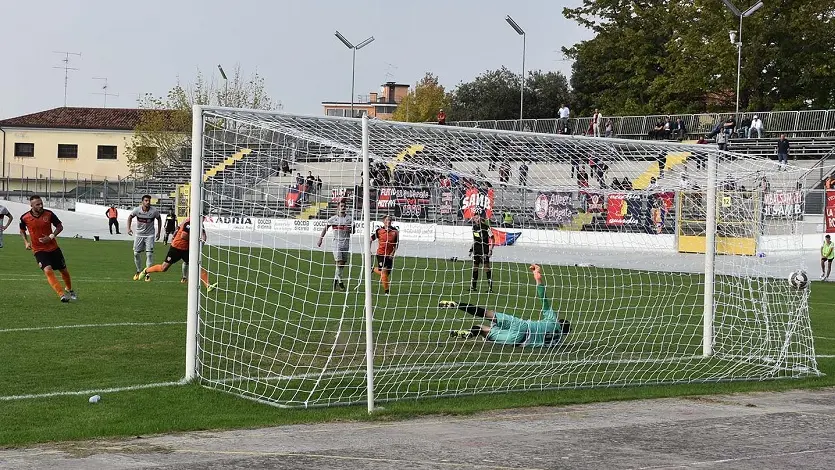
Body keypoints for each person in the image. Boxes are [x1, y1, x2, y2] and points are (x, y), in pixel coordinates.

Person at [444, 264, 570, 347]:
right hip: (518, 340)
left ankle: (457, 305)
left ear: (559, 322)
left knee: (487, 314)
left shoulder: (553, 320)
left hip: (522, 325)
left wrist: (538, 279)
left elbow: (544, 301)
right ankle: (469, 332)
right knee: (482, 329)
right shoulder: (557, 342)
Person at [19, 195, 76, 302]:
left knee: (64, 271)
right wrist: (26, 242)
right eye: (37, 204)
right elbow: (22, 230)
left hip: (53, 247)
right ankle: (61, 295)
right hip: (38, 249)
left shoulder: (49, 214)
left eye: (41, 203)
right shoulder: (24, 217)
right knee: (48, 270)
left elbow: (59, 226)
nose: (41, 206)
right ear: (31, 206)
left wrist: (50, 237)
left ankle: (69, 289)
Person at [138, 216, 216, 291]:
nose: (203, 219)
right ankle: (146, 271)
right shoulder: (188, 223)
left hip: (186, 250)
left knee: (197, 266)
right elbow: (183, 236)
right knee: (163, 268)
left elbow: (204, 235)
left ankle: (208, 285)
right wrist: (195, 240)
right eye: (202, 217)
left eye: (204, 217)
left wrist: (201, 243)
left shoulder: (199, 224)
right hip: (176, 248)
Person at [318, 201, 353, 290]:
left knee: (342, 264)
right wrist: (320, 239)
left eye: (344, 206)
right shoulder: (333, 219)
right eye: (341, 206)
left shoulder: (349, 219)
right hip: (336, 243)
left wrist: (350, 230)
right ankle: (336, 280)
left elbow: (353, 231)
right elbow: (325, 228)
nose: (343, 207)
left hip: (346, 243)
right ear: (338, 207)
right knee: (339, 261)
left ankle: (339, 280)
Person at [127, 195, 162, 282]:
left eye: (149, 201)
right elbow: (130, 217)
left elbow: (159, 219)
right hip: (139, 234)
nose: (148, 202)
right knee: (136, 253)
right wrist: (128, 228)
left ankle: (147, 274)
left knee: (149, 254)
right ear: (142, 201)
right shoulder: (137, 210)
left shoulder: (154, 211)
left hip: (150, 235)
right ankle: (139, 271)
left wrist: (158, 232)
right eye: (146, 200)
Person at [370, 215, 399, 295]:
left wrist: (393, 253)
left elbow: (396, 244)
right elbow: (370, 239)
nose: (388, 221)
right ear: (383, 221)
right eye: (386, 220)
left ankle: (373, 269)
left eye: (390, 220)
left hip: (389, 255)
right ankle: (387, 291)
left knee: (386, 274)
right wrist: (369, 250)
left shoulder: (395, 231)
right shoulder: (379, 231)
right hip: (380, 254)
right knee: (384, 272)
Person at [469, 208, 494, 292]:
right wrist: (471, 249)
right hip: (476, 250)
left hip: (484, 250)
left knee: (486, 268)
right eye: (475, 218)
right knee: (475, 268)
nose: (476, 220)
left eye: (478, 218)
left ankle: (490, 288)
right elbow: (475, 240)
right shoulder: (474, 228)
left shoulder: (486, 227)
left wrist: (491, 249)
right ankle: (473, 287)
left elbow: (492, 239)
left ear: (481, 218)